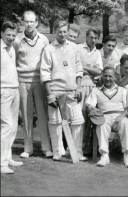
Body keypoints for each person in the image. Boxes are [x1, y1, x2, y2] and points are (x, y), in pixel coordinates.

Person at [40, 20, 86, 161]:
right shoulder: (49, 49)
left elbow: (79, 69)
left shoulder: (74, 47)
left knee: (77, 120)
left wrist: (78, 87)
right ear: (55, 32)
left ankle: (76, 151)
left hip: (72, 89)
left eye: (65, 31)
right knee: (55, 122)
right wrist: (50, 95)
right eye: (60, 31)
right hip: (56, 90)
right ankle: (57, 151)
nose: (62, 34)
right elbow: (45, 72)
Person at [14, 11, 52, 158]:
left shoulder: (43, 40)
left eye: (32, 22)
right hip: (23, 81)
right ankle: (28, 148)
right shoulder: (17, 40)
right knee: (26, 115)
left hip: (40, 81)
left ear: (37, 23)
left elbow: (47, 61)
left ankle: (46, 148)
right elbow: (14, 60)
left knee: (43, 115)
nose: (29, 24)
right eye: (26, 21)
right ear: (23, 22)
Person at [86, 67, 128, 167]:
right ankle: (104, 155)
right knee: (101, 124)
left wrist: (121, 116)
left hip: (119, 116)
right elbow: (90, 105)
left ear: (115, 77)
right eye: (105, 76)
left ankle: (127, 155)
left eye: (110, 76)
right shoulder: (96, 90)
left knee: (126, 123)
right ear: (102, 76)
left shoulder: (123, 90)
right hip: (104, 116)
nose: (107, 78)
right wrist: (93, 110)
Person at [1, 21, 24, 174]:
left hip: (14, 89)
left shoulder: (12, 48)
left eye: (13, 35)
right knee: (6, 125)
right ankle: (2, 164)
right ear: (1, 33)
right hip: (2, 90)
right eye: (8, 34)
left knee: (13, 126)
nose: (11, 37)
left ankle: (7, 157)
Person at [78, 28, 103, 157]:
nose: (93, 40)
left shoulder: (97, 53)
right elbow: (75, 67)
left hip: (92, 87)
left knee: (89, 118)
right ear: (86, 37)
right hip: (79, 85)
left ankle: (85, 147)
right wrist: (91, 69)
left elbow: (99, 71)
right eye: (91, 37)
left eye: (95, 38)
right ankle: (76, 147)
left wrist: (83, 67)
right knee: (78, 118)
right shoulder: (78, 49)